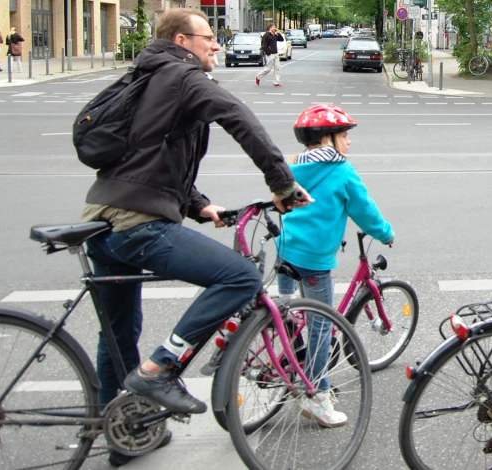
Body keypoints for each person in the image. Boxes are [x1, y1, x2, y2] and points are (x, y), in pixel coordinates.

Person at [80, 9, 310, 466]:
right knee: (241, 276)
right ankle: (160, 370)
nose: (217, 45)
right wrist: (282, 183)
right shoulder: (183, 77)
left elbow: (148, 153)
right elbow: (240, 118)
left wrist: (196, 204)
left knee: (119, 334)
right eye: (210, 38)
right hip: (136, 223)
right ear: (183, 40)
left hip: (100, 221)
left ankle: (124, 435)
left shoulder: (143, 76)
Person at [276, 104, 394, 427]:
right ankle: (318, 395)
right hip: (314, 260)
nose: (349, 142)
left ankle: (288, 363)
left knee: (288, 312)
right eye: (344, 135)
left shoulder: (292, 166)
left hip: (284, 250)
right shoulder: (342, 170)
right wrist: (385, 233)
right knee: (320, 325)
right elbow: (364, 210)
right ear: (327, 139)